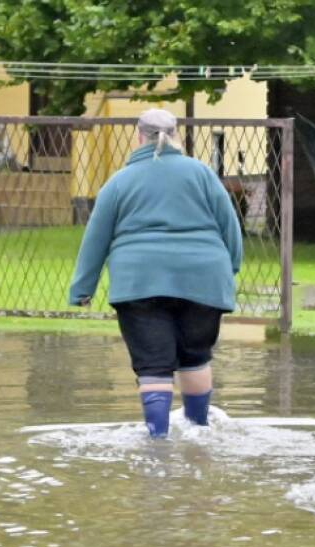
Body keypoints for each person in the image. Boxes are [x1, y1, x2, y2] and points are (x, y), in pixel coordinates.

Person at [69, 108, 243, 438]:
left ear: (138, 137)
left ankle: (157, 439)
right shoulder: (202, 174)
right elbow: (229, 226)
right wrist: (230, 266)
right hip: (204, 279)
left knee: (153, 365)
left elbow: (96, 239)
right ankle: (198, 432)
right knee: (195, 357)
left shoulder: (119, 182)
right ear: (176, 135)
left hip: (139, 283)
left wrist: (82, 289)